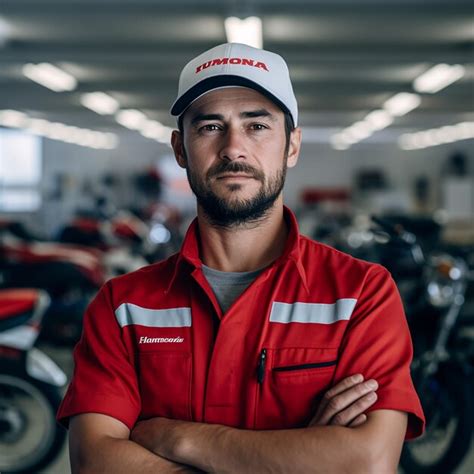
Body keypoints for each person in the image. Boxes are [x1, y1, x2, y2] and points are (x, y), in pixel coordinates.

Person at [58, 43, 425, 473]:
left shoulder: (361, 294)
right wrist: (303, 453)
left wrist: (174, 436)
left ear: (292, 145)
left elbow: (367, 463)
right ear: (180, 149)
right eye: (211, 127)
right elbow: (96, 462)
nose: (234, 148)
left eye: (257, 126)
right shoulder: (122, 306)